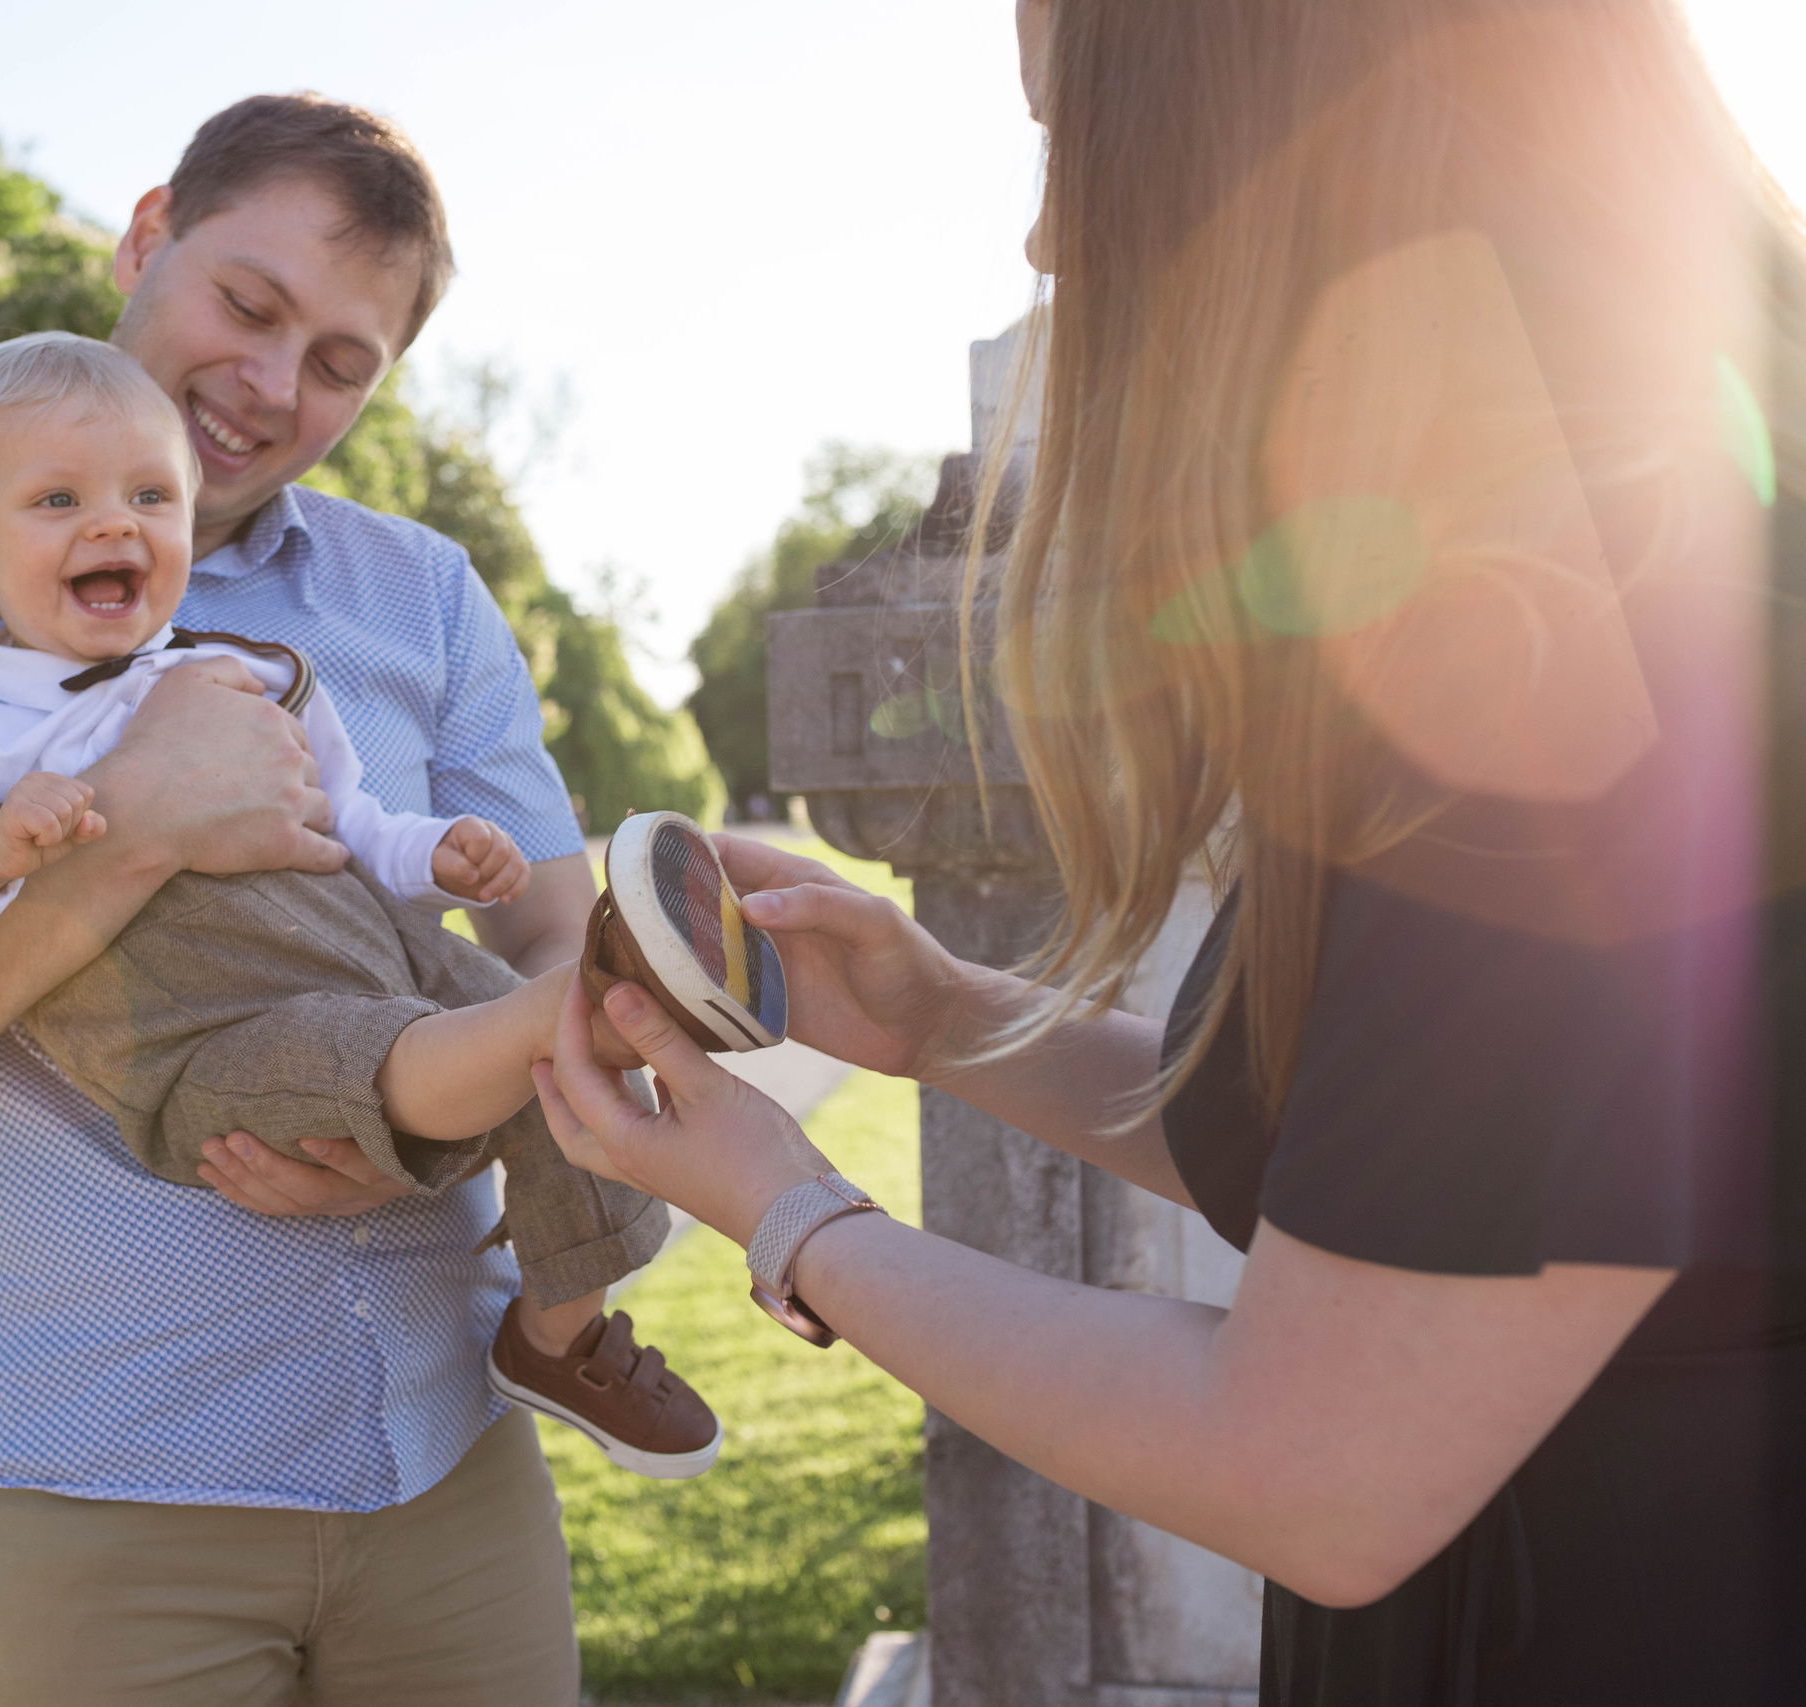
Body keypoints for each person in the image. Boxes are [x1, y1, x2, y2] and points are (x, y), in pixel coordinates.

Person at [535, 2, 1804, 1702]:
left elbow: (1320, 1464)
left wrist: (792, 1212)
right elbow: (1402, 1185)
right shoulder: (1611, 554)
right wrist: (946, 1023)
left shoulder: (1569, 650)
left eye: (1074, 140)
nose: (1049, 232)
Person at [0, 96, 621, 1704]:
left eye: (342, 361)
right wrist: (130, 834)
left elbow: (555, 936)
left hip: (452, 1461)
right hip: (103, 1486)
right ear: (147, 237)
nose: (274, 384)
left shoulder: (419, 591)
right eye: (249, 304)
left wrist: (427, 1122)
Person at [0, 329, 719, 1480]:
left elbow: (352, 824)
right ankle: (599, 1012)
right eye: (57, 500)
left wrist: (438, 854)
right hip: (214, 1045)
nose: (112, 524)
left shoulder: (251, 676)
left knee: (570, 1054)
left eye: (150, 495)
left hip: (380, 954)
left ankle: (558, 1334)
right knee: (523, 1031)